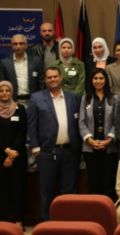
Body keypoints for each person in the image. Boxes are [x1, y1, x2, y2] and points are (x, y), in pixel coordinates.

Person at [28, 66, 82, 221]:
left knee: (69, 191)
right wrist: (36, 149)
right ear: (45, 80)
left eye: (55, 76)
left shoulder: (73, 97)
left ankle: (68, 223)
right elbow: (32, 125)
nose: (53, 79)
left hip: (70, 152)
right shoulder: (37, 98)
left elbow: (79, 122)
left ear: (61, 77)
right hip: (46, 152)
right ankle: (47, 224)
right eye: (49, 77)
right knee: (46, 191)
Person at [0, 81, 28, 229]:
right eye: (1, 91)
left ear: (12, 92)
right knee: (1, 191)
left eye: (7, 90)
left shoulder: (20, 109)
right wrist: (7, 151)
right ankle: (3, 222)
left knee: (18, 190)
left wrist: (11, 154)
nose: (4, 93)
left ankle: (18, 222)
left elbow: (22, 132)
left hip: (18, 156)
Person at [80, 69, 120, 201]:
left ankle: (109, 210)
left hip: (109, 147)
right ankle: (95, 211)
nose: (98, 81)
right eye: (95, 78)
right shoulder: (85, 98)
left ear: (106, 80)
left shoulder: (114, 98)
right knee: (93, 182)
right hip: (90, 148)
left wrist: (109, 140)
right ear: (91, 80)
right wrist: (90, 141)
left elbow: (117, 121)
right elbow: (81, 122)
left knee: (109, 182)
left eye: (101, 78)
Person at [0, 33, 45, 107]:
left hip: (33, 101)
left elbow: (42, 82)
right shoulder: (5, 63)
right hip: (13, 102)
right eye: (15, 44)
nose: (18, 46)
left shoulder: (36, 60)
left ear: (26, 45)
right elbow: (2, 84)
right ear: (12, 46)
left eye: (21, 43)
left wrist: (40, 99)